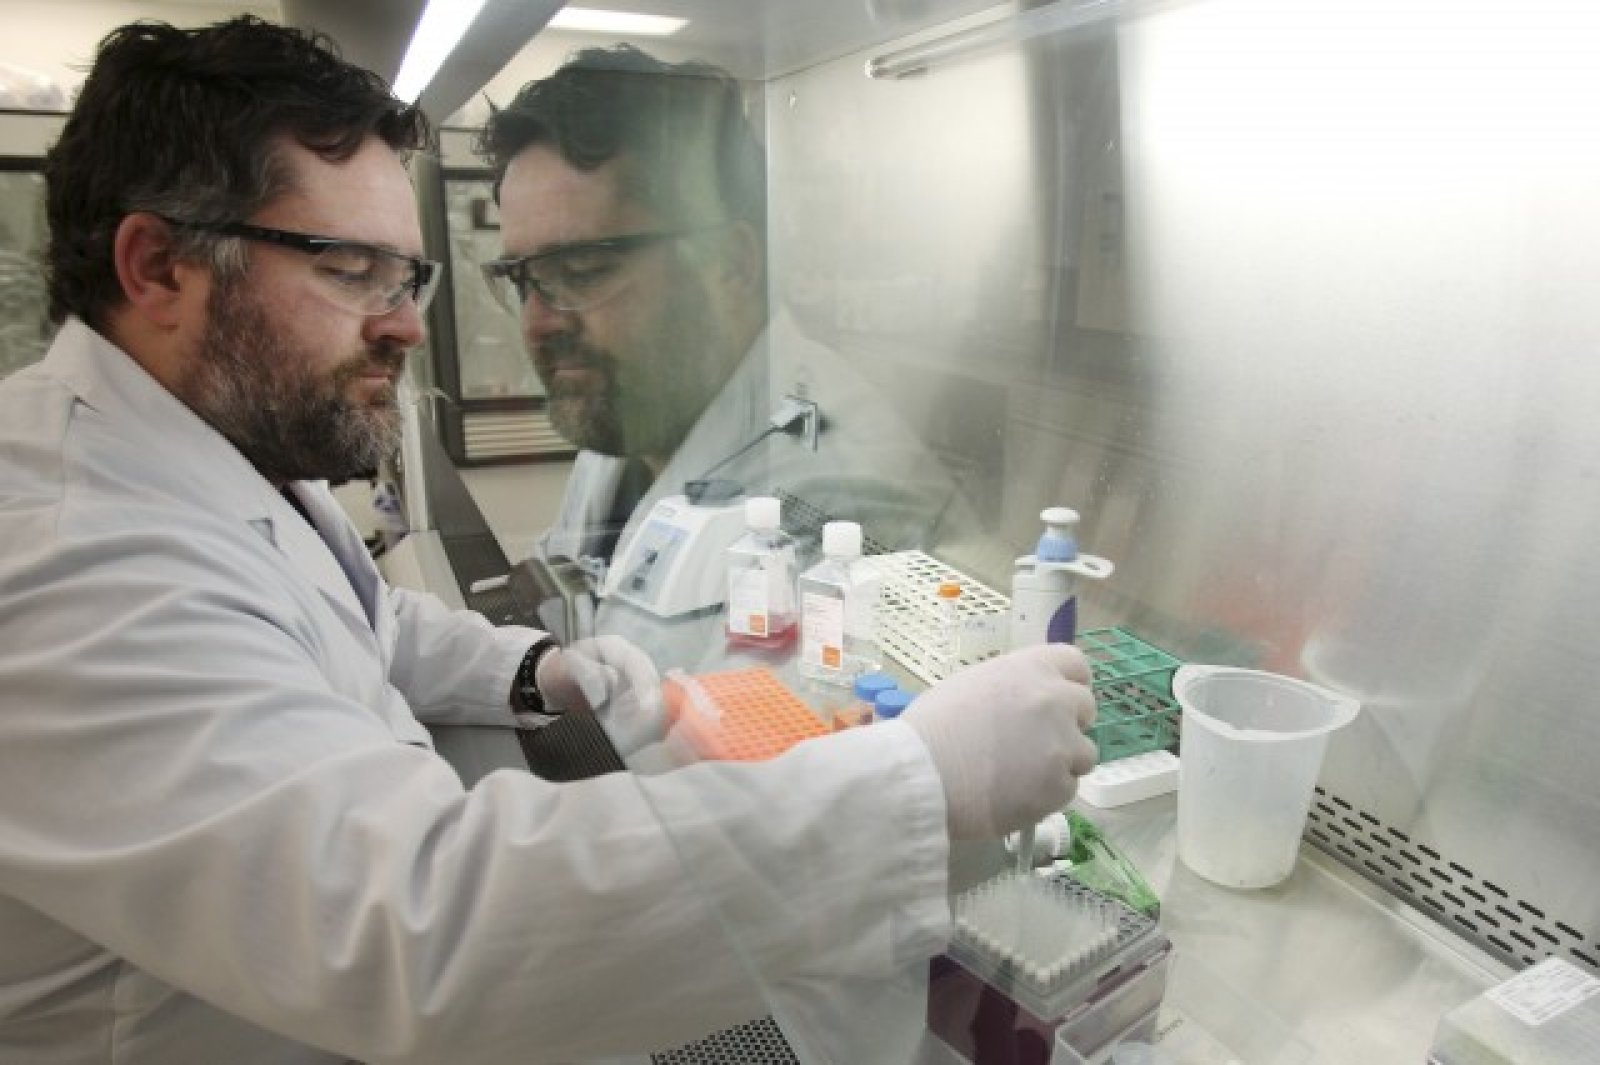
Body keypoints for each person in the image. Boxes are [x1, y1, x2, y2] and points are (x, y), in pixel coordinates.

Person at [0, 16, 1099, 1065]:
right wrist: (917, 785)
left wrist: (530, 668)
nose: (407, 323)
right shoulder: (74, 557)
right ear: (159, 270)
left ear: (731, 262)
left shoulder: (203, 452)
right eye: (350, 270)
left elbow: (353, 619)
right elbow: (420, 928)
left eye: (406, 275)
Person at [479, 46, 978, 650]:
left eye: (581, 270)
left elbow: (763, 711)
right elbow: (567, 594)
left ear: (731, 266)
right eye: (521, 280)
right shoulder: (630, 415)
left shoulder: (838, 502)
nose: (538, 323)